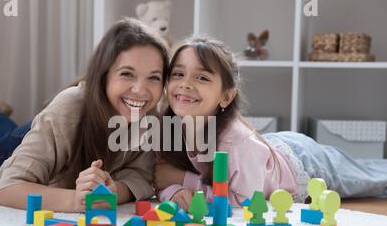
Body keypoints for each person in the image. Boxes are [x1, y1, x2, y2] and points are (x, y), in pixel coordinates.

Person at [154, 36, 387, 210]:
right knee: (364, 166)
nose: (185, 84)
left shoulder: (235, 141)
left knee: (372, 178)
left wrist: (182, 180)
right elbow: (161, 179)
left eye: (202, 77)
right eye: (177, 74)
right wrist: (174, 190)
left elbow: (245, 202)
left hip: (305, 163)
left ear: (225, 97)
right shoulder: (170, 127)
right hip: (268, 152)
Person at [0, 18, 169, 213]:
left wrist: (115, 191)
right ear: (104, 75)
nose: (140, 90)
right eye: (127, 74)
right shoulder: (68, 108)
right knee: (0, 142)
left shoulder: (150, 114)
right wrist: (75, 201)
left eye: (154, 77)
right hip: (31, 136)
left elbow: (140, 175)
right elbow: (9, 189)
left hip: (58, 128)